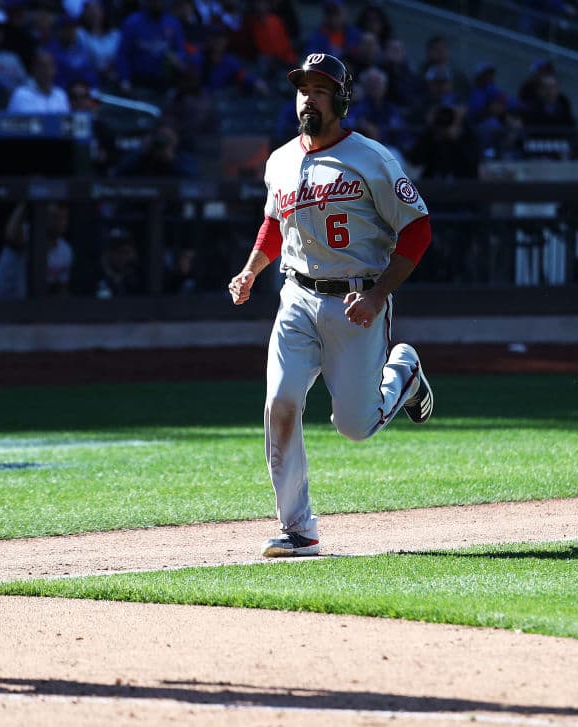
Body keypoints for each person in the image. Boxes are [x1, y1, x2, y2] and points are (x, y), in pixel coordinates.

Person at [227, 53, 434, 558]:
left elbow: (418, 229)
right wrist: (251, 269)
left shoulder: (372, 159)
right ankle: (298, 528)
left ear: (341, 99)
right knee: (280, 402)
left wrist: (380, 293)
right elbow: (275, 223)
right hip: (295, 296)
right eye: (303, 89)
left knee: (355, 427)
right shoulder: (279, 160)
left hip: (356, 301)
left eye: (320, 90)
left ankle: (403, 373)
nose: (309, 98)